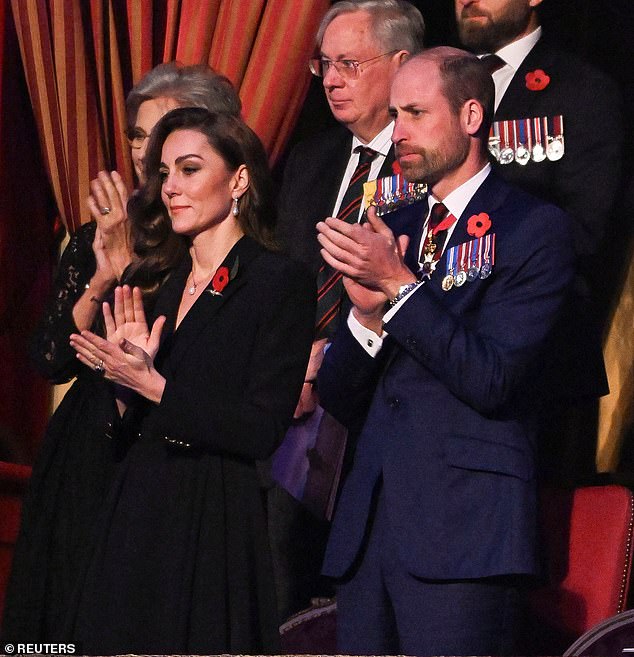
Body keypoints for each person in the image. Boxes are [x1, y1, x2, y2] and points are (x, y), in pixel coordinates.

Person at [315, 47, 574, 655]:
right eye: (394, 114)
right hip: (370, 530)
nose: (396, 131)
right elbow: (339, 397)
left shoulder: (531, 228)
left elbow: (493, 377)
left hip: (465, 532)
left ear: (471, 116)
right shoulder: (393, 223)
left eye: (414, 113)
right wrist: (364, 315)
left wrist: (401, 289)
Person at [1, 63, 241, 642]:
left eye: (160, 135)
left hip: (163, 446)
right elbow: (52, 356)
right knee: (59, 617)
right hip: (85, 446)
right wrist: (103, 277)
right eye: (137, 135)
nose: (143, 151)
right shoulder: (102, 231)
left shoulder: (220, 237)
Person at [67, 107, 314, 654]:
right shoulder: (164, 282)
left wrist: (155, 387)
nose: (170, 188)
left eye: (189, 169)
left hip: (211, 515)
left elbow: (261, 428)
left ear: (239, 179)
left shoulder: (278, 281)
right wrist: (124, 385)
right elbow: (127, 424)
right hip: (137, 505)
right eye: (164, 173)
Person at [270, 0, 425, 621]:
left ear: (401, 64)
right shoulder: (311, 160)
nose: (331, 79)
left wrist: (330, 358)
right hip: (287, 406)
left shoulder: (430, 164)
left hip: (377, 405)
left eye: (350, 64)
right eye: (324, 64)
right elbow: (282, 280)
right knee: (274, 580)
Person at [455, 0, 623, 481]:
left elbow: (585, 232)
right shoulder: (439, 82)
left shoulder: (581, 90)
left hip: (536, 361)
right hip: (438, 352)